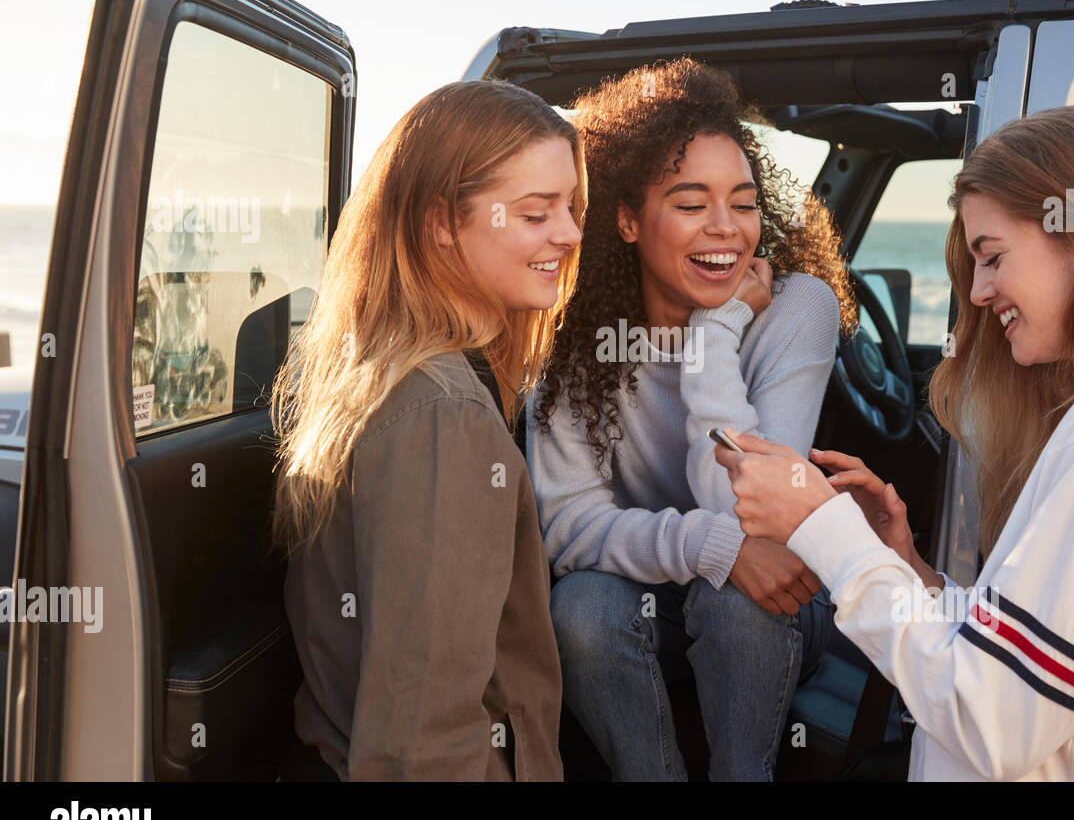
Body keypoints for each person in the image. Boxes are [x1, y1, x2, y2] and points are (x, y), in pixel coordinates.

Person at [714, 104, 1074, 781]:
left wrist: (824, 529)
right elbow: (1051, 662)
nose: (982, 291)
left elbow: (990, 718)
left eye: (992, 257)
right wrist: (914, 579)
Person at [526, 58, 857, 780]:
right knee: (582, 605)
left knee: (734, 606)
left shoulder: (795, 306)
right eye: (689, 202)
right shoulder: (570, 331)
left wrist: (718, 330)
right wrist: (712, 549)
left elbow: (756, 516)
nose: (726, 229)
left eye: (743, 203)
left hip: (776, 602)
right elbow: (570, 527)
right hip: (649, 600)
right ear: (626, 218)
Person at [270, 79, 585, 780]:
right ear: (442, 221)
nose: (567, 233)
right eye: (536, 213)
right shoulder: (444, 416)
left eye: (570, 207)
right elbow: (424, 741)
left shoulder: (376, 370)